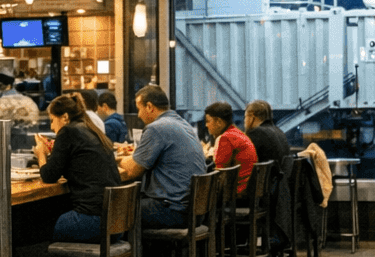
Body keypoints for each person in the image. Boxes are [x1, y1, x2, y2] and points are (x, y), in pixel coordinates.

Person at [33, 93, 121, 240]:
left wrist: (41, 154)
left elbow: (49, 176)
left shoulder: (68, 131)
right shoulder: (91, 129)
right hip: (116, 224)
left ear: (65, 117)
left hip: (95, 222)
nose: (51, 127)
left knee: (36, 224)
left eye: (52, 120)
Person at [118, 84, 204, 230]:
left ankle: (130, 245)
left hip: (173, 210)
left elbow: (132, 171)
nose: (138, 115)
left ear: (149, 106)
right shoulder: (182, 123)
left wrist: (116, 160)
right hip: (194, 211)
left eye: (139, 109)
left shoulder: (156, 128)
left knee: (113, 211)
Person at [204, 101, 257, 196]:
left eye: (208, 121)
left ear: (219, 122)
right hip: (248, 190)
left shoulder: (225, 138)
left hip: (235, 194)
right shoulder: (237, 133)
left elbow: (219, 174)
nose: (206, 125)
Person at [244, 99, 290, 167]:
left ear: (251, 117)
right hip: (280, 173)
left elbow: (243, 159)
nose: (244, 121)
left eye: (245, 117)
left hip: (267, 173)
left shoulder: (257, 133)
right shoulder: (279, 131)